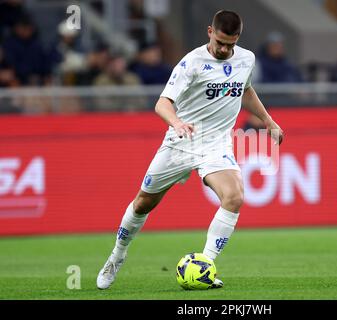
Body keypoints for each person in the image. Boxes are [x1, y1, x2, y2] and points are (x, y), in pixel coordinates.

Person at [96, 10, 284, 290]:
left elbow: (245, 90)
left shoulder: (247, 59)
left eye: (230, 44)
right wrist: (177, 122)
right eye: (220, 42)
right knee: (143, 204)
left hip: (216, 144)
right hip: (181, 142)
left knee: (234, 197)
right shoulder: (192, 63)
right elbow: (162, 103)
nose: (224, 49)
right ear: (210, 31)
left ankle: (204, 266)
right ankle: (116, 256)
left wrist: (268, 121)